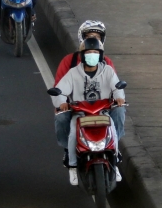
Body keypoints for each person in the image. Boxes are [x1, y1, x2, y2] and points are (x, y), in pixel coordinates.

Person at [50, 37, 125, 185]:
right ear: (82, 55)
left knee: (113, 132)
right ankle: (72, 165)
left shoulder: (108, 71)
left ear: (101, 54)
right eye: (88, 52)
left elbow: (117, 87)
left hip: (102, 112)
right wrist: (62, 102)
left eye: (95, 52)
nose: (92, 55)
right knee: (72, 132)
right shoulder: (73, 73)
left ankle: (114, 161)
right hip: (80, 114)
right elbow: (60, 91)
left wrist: (119, 98)